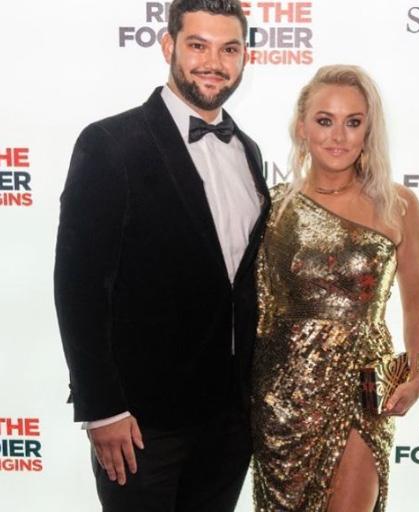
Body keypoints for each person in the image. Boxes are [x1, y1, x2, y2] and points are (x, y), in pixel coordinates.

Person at [54, 1, 270, 511]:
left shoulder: (249, 151)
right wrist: (103, 409)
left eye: (229, 49)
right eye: (198, 45)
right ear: (169, 46)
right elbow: (79, 285)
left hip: (229, 421)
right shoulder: (110, 143)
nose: (213, 62)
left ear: (244, 56)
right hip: (140, 425)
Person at [251, 65, 419, 512]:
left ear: (368, 131)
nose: (338, 136)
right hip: (281, 391)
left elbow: (416, 302)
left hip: (362, 383)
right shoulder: (272, 206)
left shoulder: (398, 204)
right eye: (324, 120)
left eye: (353, 122)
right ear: (302, 127)